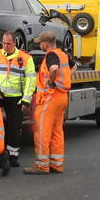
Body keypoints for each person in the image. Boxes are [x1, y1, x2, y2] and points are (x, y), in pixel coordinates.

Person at [0, 31, 36, 167]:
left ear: (14, 43)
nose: (5, 46)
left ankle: (13, 156)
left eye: (8, 44)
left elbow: (30, 80)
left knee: (14, 127)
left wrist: (26, 99)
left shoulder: (26, 58)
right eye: (3, 43)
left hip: (15, 98)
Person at [24, 31, 72, 175]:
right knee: (57, 132)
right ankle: (56, 164)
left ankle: (42, 165)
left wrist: (51, 82)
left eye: (40, 43)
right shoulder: (63, 54)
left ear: (46, 44)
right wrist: (63, 81)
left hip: (50, 97)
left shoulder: (51, 55)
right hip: (62, 96)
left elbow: (54, 69)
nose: (39, 45)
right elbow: (74, 66)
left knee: (42, 132)